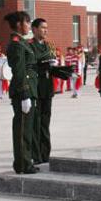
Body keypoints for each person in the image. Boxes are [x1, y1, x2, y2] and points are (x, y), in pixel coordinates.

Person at [4, 11, 38, 174]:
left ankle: (25, 161)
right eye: (27, 22)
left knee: (27, 129)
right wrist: (25, 94)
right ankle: (23, 164)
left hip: (29, 89)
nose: (29, 25)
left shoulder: (22, 42)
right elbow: (19, 71)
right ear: (19, 24)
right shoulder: (16, 44)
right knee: (22, 129)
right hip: (23, 91)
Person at [30, 18, 56, 164]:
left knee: (45, 123)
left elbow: (51, 66)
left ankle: (45, 154)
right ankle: (36, 155)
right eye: (42, 27)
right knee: (36, 123)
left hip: (47, 89)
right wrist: (46, 61)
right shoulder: (30, 46)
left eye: (46, 28)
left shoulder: (49, 46)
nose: (45, 30)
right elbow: (32, 63)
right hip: (36, 88)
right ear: (34, 29)